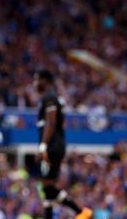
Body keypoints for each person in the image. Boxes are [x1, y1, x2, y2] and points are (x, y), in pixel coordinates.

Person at [34, 70, 92, 219]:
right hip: (53, 146)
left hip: (52, 147)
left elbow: (51, 122)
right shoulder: (49, 98)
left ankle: (81, 212)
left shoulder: (50, 97)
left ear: (45, 81)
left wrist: (43, 146)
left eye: (37, 80)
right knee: (46, 188)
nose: (35, 84)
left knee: (47, 185)